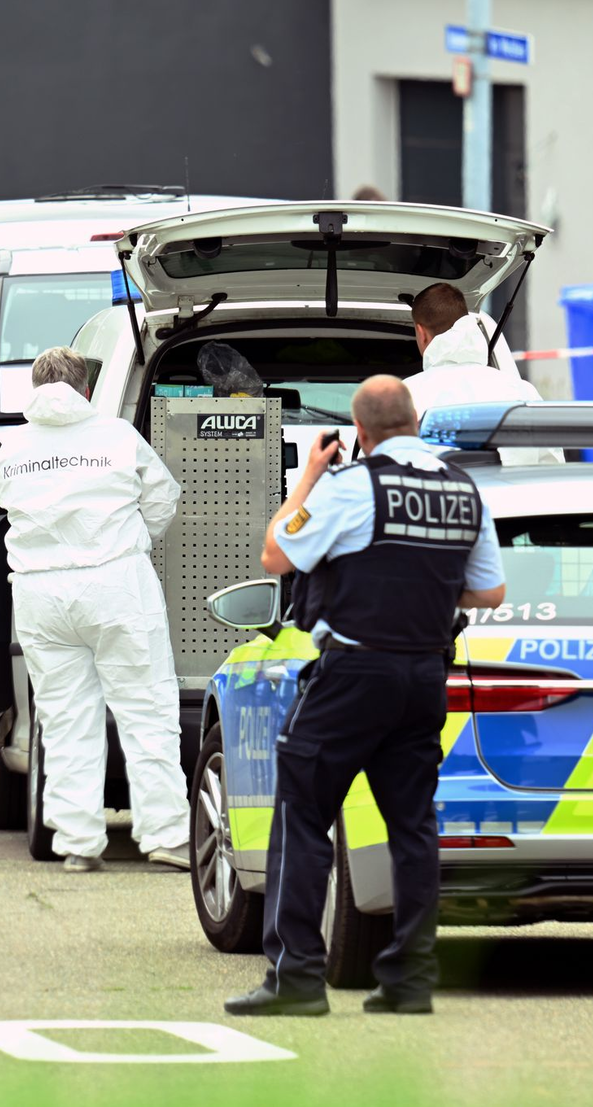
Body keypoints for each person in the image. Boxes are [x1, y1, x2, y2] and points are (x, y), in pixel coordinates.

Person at [225, 376, 505, 1018]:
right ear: (414, 422)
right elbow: (489, 593)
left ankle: (296, 976)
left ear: (361, 432)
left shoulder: (352, 488)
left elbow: (277, 554)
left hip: (353, 676)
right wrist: (418, 586)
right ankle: (410, 979)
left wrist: (311, 480)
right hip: (424, 678)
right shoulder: (464, 493)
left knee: (301, 813)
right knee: (412, 827)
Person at [0, 346, 190, 873]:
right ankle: (165, 836)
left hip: (40, 594)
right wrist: (134, 541)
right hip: (115, 585)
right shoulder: (117, 436)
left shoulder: (13, 448)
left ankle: (77, 841)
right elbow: (163, 495)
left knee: (63, 718)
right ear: (84, 389)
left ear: (35, 389)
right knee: (146, 710)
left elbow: (6, 502)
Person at [402, 282, 560, 466]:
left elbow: (383, 469)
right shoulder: (523, 392)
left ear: (421, 333)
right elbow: (551, 466)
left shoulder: (405, 395)